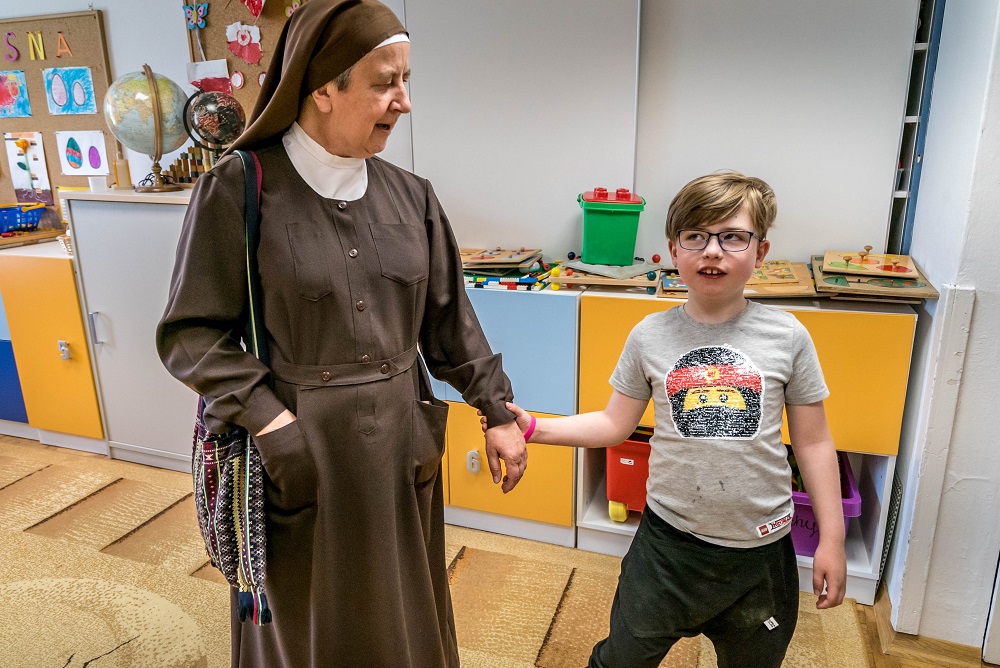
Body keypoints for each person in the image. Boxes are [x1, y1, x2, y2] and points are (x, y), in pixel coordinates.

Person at [156, 1, 527, 665]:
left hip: (398, 441)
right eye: (386, 82)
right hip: (296, 445)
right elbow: (191, 334)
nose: (403, 101)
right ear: (325, 87)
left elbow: (447, 321)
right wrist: (271, 425)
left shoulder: (412, 196)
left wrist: (495, 410)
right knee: (301, 616)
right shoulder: (238, 188)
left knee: (402, 606)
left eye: (406, 81)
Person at [490, 172, 847, 668]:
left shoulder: (788, 336)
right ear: (674, 251)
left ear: (760, 252)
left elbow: (813, 443)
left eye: (732, 237)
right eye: (695, 236)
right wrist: (533, 429)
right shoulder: (649, 335)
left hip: (760, 554)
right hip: (667, 548)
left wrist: (832, 539)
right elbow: (615, 425)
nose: (712, 251)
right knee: (623, 659)